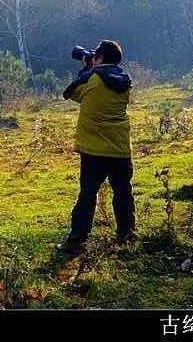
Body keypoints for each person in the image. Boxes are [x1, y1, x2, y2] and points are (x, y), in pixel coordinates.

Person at [56, 40, 136, 255]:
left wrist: (86, 68)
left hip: (94, 150)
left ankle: (76, 242)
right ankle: (127, 236)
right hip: (120, 147)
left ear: (98, 58)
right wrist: (94, 67)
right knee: (123, 192)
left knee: (88, 195)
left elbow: (71, 93)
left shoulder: (92, 79)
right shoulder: (125, 80)